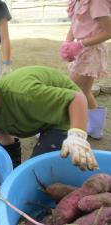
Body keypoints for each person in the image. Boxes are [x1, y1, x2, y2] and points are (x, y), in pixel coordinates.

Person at [60, 0, 111, 139]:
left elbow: (108, 32)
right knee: (85, 91)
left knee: (67, 90)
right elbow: (74, 24)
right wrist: (68, 44)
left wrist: (80, 44)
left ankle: (55, 128)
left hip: (90, 51)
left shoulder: (97, 2)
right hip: (82, 49)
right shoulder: (77, 1)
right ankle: (94, 128)